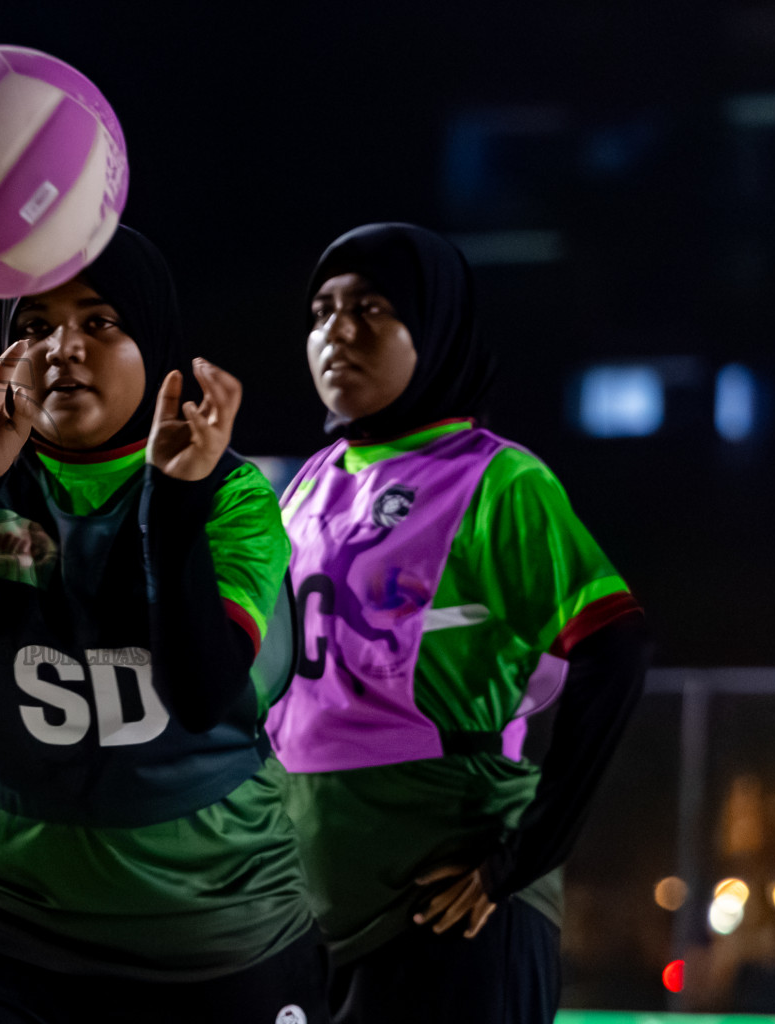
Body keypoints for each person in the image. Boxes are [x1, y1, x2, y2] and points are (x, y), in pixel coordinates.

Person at [0, 226, 327, 1024]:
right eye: (35, 326)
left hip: (212, 929)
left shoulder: (229, 494)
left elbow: (200, 693)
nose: (63, 348)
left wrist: (171, 509)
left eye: (100, 321)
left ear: (157, 344)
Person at [264, 222, 649, 1023]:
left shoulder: (499, 481)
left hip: (447, 902)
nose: (338, 331)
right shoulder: (306, 484)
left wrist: (522, 857)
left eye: (372, 308)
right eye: (322, 311)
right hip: (317, 902)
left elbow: (616, 649)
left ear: (434, 329)